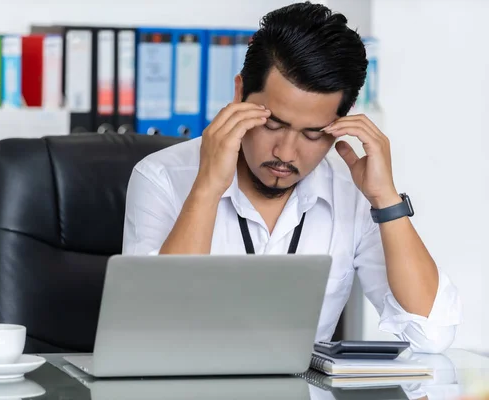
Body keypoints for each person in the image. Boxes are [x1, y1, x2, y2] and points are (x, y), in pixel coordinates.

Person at [122, 2, 461, 353]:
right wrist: (208, 187)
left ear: (340, 123)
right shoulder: (161, 177)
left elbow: (431, 335)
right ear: (239, 94)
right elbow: (153, 336)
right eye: (272, 124)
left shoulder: (351, 193)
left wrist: (386, 200)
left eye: (313, 134)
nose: (286, 153)